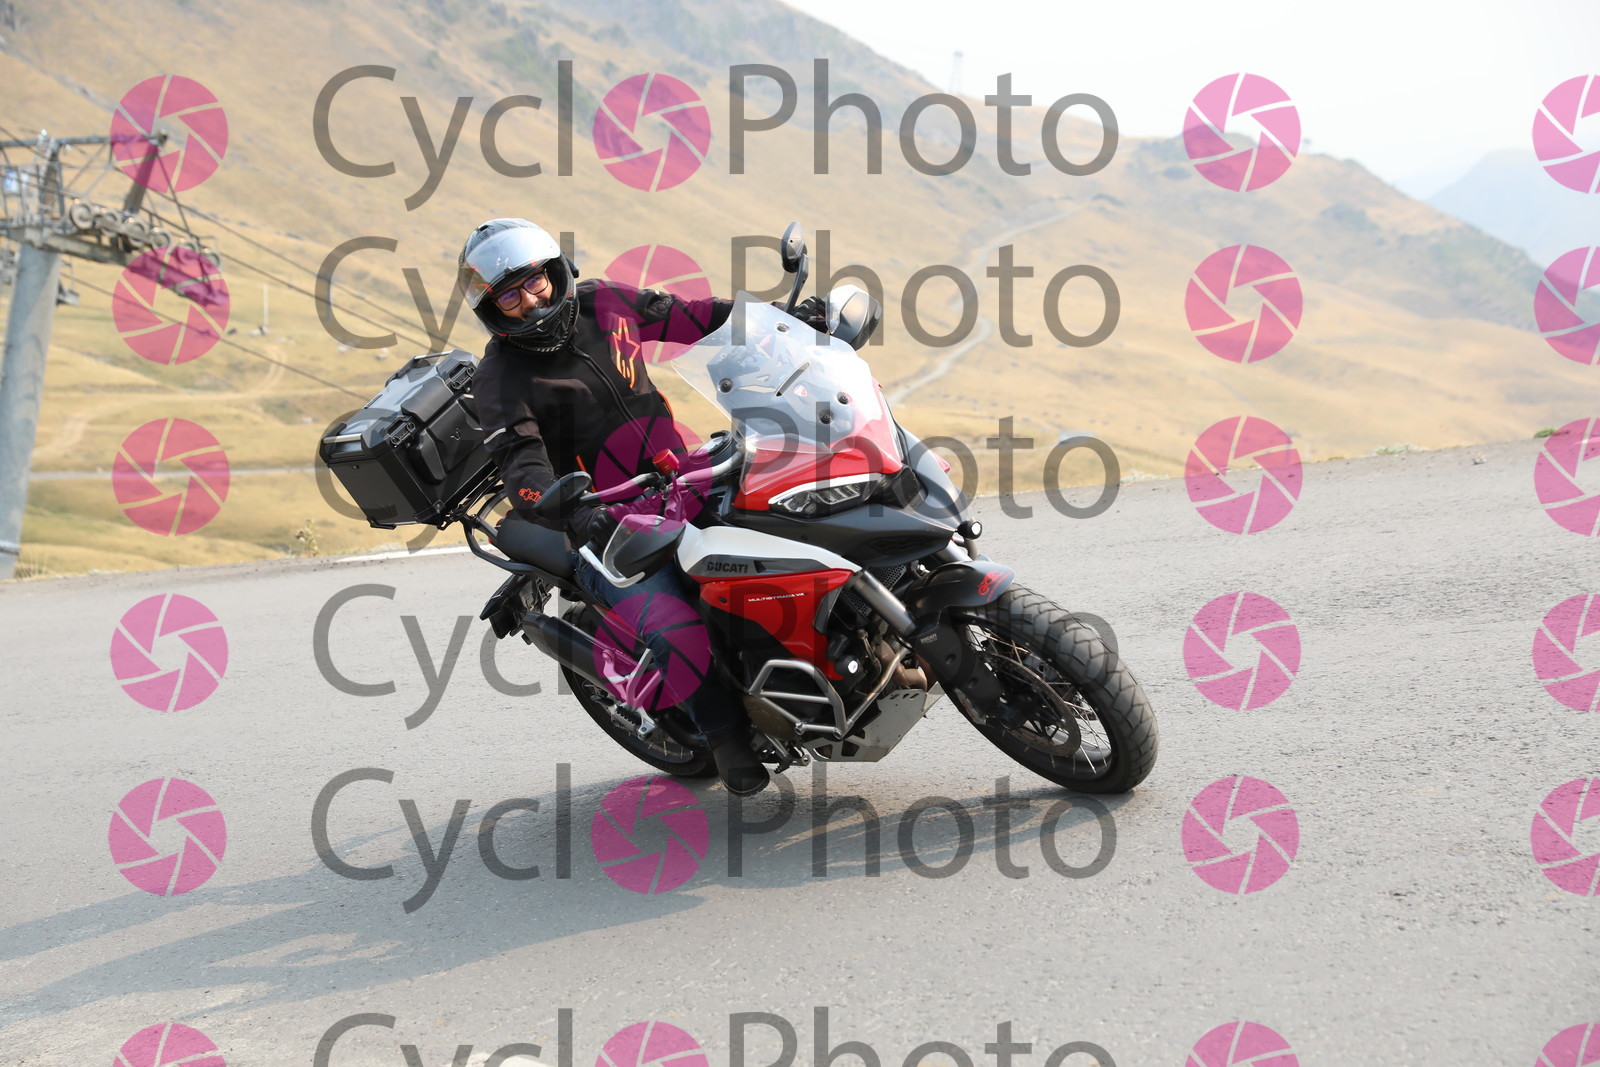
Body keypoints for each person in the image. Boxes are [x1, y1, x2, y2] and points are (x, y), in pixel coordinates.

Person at [460, 218, 822, 797]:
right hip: (605, 518)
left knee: (789, 519)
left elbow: (697, 317)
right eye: (509, 296)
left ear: (555, 273)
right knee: (671, 620)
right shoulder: (500, 378)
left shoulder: (604, 303)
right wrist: (574, 510)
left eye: (533, 283)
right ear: (491, 310)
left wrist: (782, 322)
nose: (529, 302)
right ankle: (726, 737)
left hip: (683, 476)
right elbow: (520, 467)